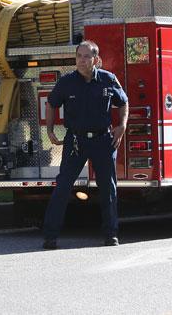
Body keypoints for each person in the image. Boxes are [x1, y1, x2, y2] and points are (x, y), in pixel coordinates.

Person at [42, 40, 128, 249]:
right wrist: (50, 129)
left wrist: (122, 126)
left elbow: (123, 102)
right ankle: (50, 236)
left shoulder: (108, 80)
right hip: (76, 141)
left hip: (103, 140)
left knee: (108, 189)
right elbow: (51, 104)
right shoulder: (67, 82)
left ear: (96, 60)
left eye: (86, 56)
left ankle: (110, 234)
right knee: (63, 186)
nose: (81, 61)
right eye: (79, 56)